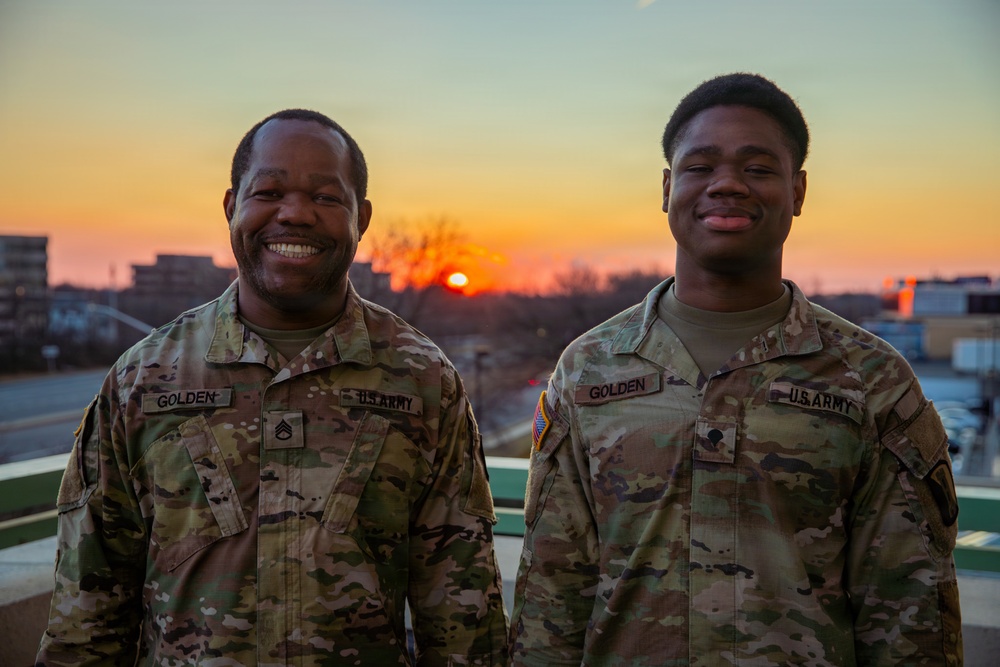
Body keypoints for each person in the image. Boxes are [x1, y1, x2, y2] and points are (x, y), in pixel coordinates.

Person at [510, 73, 963, 666]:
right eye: (700, 167)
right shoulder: (589, 369)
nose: (726, 184)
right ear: (668, 187)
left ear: (797, 192)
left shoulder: (871, 379)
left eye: (757, 168)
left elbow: (912, 611)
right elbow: (552, 591)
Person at [36, 109, 509, 665]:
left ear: (363, 217)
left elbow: (462, 618)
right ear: (232, 205)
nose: (295, 214)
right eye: (270, 191)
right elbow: (87, 611)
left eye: (327, 197)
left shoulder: (423, 380)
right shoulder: (144, 378)